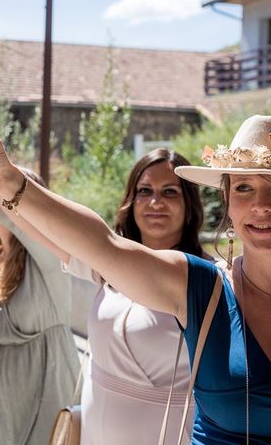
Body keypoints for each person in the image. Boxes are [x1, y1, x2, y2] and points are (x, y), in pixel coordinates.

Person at [0, 114, 271, 444]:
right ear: (227, 201)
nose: (260, 205)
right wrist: (5, 179)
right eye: (244, 187)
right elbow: (102, 243)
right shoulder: (200, 288)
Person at [52, 148, 209, 444]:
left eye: (170, 192)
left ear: (190, 205)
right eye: (144, 191)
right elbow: (45, 228)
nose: (155, 202)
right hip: (94, 432)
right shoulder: (107, 264)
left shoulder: (212, 278)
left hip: (170, 434)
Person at [0, 167, 80, 445]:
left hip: (49, 380)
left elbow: (11, 218)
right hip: (5, 389)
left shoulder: (49, 261)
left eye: (2, 195)